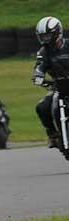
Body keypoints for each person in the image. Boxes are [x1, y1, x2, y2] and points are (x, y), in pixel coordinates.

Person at [32, 16, 69, 155]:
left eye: (48, 35)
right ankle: (53, 135)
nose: (45, 39)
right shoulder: (43, 52)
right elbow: (39, 66)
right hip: (59, 88)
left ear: (57, 33)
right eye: (43, 36)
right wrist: (38, 76)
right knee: (42, 107)